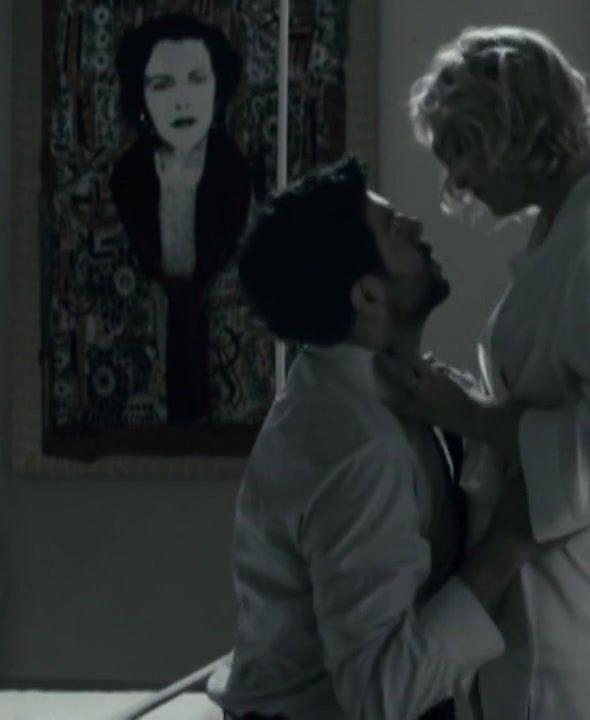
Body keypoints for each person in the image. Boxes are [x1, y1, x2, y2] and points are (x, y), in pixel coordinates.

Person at [384, 26, 590, 719]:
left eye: (461, 151)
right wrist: (470, 401)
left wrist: (469, 416)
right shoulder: (571, 229)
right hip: (545, 584)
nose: (456, 182)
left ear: (511, 129)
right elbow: (559, 393)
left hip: (571, 600)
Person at [207, 156, 538, 720]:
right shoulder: (362, 449)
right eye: (393, 228)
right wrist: (508, 543)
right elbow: (381, 693)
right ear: (367, 296)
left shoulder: (366, 386)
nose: (415, 226)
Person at [110, 13, 252, 424]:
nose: (182, 100)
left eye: (196, 80)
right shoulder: (126, 178)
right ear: (141, 98)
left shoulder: (236, 173)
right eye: (162, 85)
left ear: (218, 88)